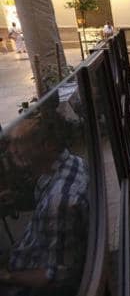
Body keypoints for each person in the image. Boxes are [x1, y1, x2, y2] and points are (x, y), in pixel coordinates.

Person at [1, 117, 89, 294]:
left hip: (28, 278)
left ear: (47, 145)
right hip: (32, 254)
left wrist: (6, 277)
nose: (11, 150)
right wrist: (17, 200)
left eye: (19, 143)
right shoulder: (71, 163)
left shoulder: (59, 202)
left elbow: (55, 277)